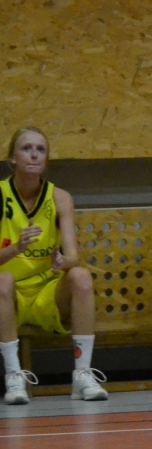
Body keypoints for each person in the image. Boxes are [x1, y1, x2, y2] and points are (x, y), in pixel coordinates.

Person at [0, 127, 107, 404]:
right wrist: (16, 248)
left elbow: (73, 257)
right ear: (12, 158)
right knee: (3, 280)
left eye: (40, 150)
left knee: (81, 276)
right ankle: (13, 376)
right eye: (26, 148)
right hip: (8, 297)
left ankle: (82, 374)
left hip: (47, 293)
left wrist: (63, 261)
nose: (34, 154)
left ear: (46, 160)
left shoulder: (60, 197)